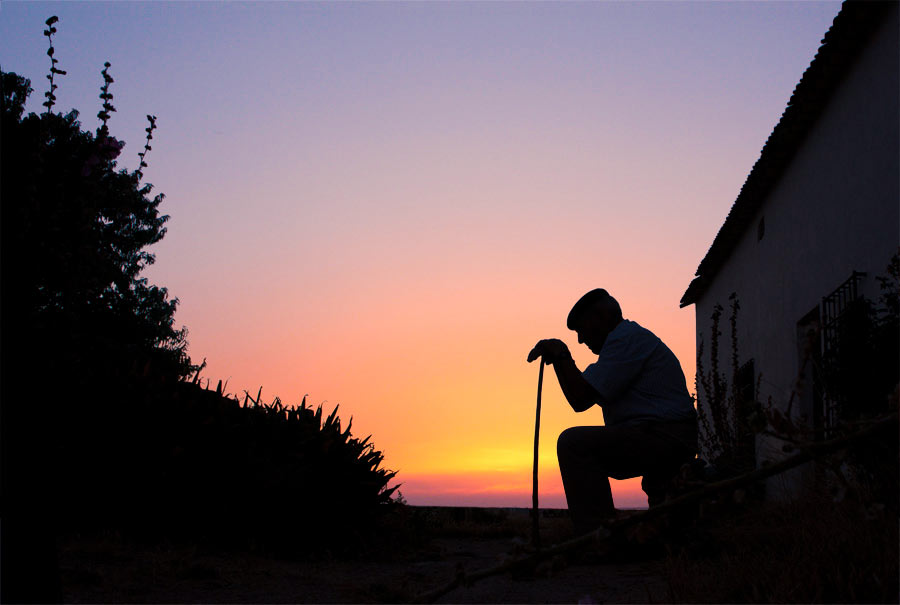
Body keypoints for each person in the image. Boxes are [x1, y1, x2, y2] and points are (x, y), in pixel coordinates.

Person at [527, 288, 696, 533]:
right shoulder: (625, 344)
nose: (581, 340)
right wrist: (561, 360)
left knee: (573, 444)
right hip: (664, 436)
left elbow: (580, 398)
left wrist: (562, 354)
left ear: (603, 317)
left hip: (666, 437)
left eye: (581, 329)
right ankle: (615, 532)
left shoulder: (625, 338)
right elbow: (580, 394)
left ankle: (599, 536)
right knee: (667, 520)